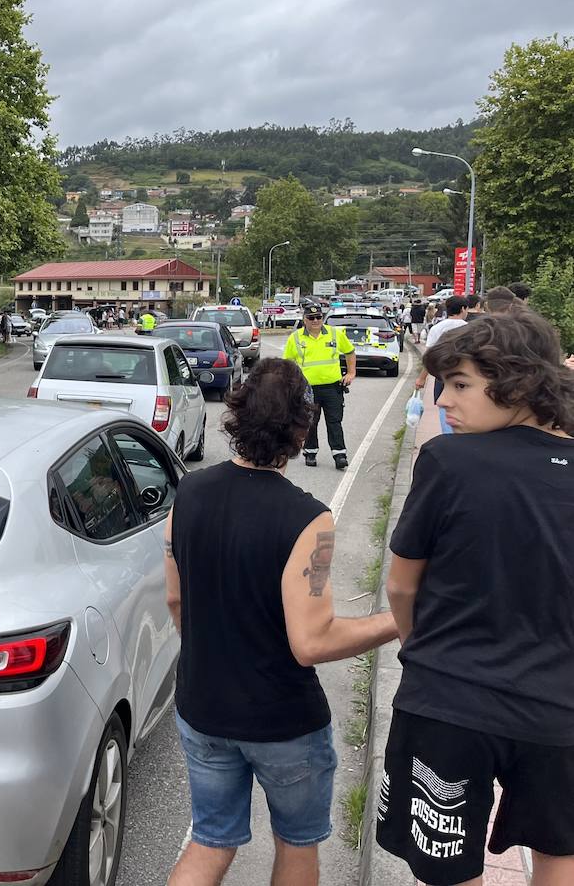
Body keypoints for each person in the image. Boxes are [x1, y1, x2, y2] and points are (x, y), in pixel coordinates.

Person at [164, 359, 397, 886]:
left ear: (236, 416)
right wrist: (397, 622)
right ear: (301, 429)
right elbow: (311, 642)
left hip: (203, 706)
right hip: (282, 721)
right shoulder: (306, 517)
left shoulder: (192, 492)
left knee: (210, 840)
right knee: (296, 844)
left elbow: (176, 598)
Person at [377, 310, 574, 886]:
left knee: (446, 868)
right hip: (556, 707)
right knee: (558, 853)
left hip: (448, 700)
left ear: (518, 381)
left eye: (460, 385)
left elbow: (400, 583)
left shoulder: (448, 461)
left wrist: (422, 648)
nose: (444, 401)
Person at [283, 299, 356, 469]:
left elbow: (350, 352)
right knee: (310, 422)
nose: (316, 320)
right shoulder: (295, 338)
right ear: (305, 320)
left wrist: (351, 373)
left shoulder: (334, 333)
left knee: (334, 421)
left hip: (332, 387)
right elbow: (287, 363)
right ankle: (310, 452)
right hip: (307, 390)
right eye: (311, 317)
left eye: (318, 317)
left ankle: (339, 455)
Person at [414, 295, 472, 436]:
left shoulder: (437, 328)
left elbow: (429, 358)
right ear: (463, 309)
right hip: (467, 379)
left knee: (446, 416)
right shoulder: (471, 329)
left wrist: (421, 379)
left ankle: (449, 442)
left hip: (443, 379)